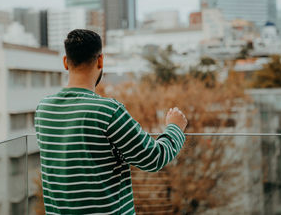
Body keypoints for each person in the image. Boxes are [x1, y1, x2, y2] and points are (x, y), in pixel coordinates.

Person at [34, 29, 187, 214]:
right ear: (100, 61)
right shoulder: (108, 111)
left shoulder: (43, 109)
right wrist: (175, 127)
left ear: (66, 62)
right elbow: (153, 158)